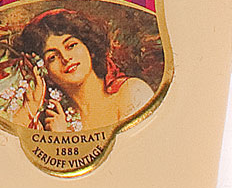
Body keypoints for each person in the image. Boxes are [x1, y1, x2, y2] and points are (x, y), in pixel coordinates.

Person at [10, 8, 153, 133]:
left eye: (71, 45)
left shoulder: (131, 93)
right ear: (44, 71)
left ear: (89, 47)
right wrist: (31, 106)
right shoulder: (55, 120)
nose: (65, 58)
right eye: (52, 57)